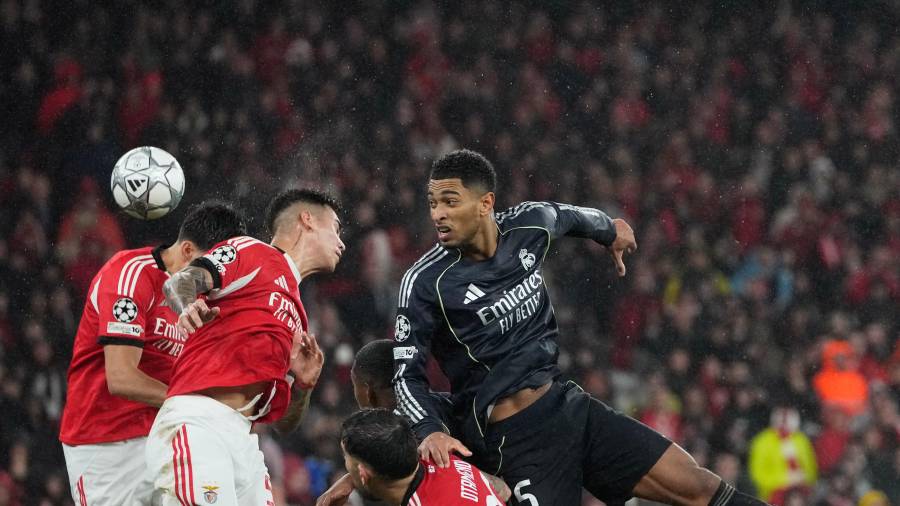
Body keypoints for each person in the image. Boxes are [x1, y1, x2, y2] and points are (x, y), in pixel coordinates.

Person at [392, 149, 768, 506]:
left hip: (568, 407)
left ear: (485, 203)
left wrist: (609, 231)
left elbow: (569, 217)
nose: (438, 214)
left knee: (699, 487)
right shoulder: (426, 282)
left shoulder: (528, 224)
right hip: (515, 442)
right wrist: (429, 429)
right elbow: (406, 375)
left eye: (450, 201)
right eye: (433, 203)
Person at [145, 189, 344, 506]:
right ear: (307, 220)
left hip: (245, 442)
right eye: (335, 227)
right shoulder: (252, 251)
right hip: (200, 422)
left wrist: (304, 386)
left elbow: (284, 424)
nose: (341, 242)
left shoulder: (299, 317)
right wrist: (187, 307)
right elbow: (181, 282)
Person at [59, 201, 247, 505]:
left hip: (165, 433)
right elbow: (121, 378)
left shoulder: (205, 298)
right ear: (187, 251)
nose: (211, 278)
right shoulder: (129, 275)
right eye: (207, 266)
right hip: (107, 444)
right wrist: (196, 407)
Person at [317, 340, 510, 505]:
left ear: (367, 390)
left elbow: (498, 487)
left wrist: (355, 478)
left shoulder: (418, 434)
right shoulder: (431, 405)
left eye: (354, 384)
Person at [340, 409, 504, 506]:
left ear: (364, 473)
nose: (345, 464)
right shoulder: (441, 458)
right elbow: (502, 489)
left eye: (345, 456)